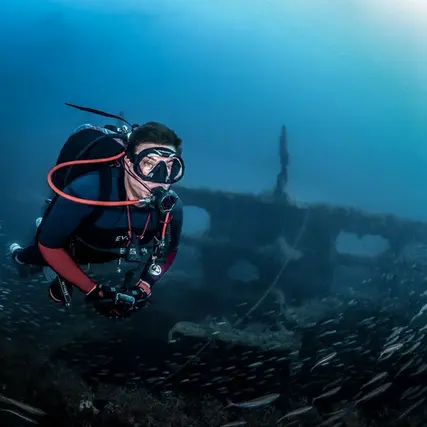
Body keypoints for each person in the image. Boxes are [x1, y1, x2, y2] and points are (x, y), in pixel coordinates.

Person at [10, 118, 184, 318]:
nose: (160, 177)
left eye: (170, 166)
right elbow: (49, 246)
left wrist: (144, 286)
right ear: (128, 163)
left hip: (108, 251)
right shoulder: (87, 191)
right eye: (148, 163)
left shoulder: (172, 208)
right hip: (75, 245)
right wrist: (94, 291)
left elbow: (170, 250)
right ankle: (19, 254)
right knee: (34, 254)